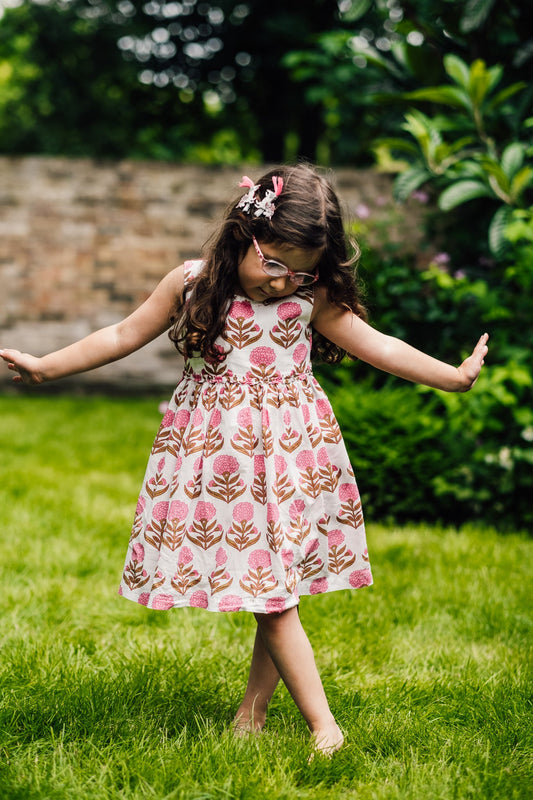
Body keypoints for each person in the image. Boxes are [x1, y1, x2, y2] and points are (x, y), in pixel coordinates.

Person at [0, 164, 488, 757]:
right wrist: (47, 366)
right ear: (242, 235)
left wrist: (452, 377)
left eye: (302, 271)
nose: (285, 283)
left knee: (275, 592)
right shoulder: (192, 284)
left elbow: (378, 345)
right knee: (272, 591)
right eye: (275, 264)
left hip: (292, 458)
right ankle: (274, 715)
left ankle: (312, 723)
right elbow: (121, 335)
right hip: (222, 464)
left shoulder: (311, 297)